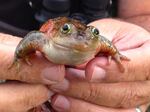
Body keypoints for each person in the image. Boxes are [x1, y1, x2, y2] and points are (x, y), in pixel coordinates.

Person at [0, 0, 150, 112]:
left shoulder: (96, 42)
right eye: (66, 30)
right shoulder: (44, 40)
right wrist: (18, 56)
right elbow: (33, 37)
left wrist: (127, 57)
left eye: (95, 33)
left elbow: (142, 15)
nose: (80, 41)